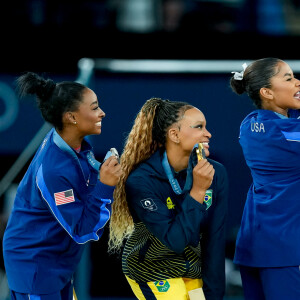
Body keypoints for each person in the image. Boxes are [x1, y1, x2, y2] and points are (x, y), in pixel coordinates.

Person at [2, 72, 122, 300]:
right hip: (35, 267)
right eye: (95, 107)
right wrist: (106, 185)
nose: (102, 113)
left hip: (57, 263)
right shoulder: (53, 170)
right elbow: (82, 229)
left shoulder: (73, 144)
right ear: (71, 118)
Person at [108, 97, 229, 300]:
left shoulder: (215, 172)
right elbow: (175, 241)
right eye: (199, 127)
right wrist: (198, 192)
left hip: (191, 270)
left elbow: (215, 239)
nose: (208, 134)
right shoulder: (141, 180)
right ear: (175, 134)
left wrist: (214, 295)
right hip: (152, 270)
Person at [230, 58, 300, 300]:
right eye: (289, 78)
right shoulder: (287, 134)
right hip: (287, 249)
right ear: (267, 92)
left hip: (256, 245)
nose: (298, 82)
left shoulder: (249, 124)